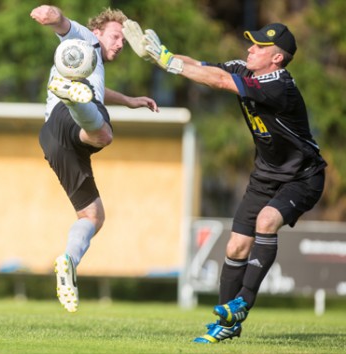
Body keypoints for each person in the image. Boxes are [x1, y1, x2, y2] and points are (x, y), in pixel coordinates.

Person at [124, 21, 327, 342]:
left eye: (259, 47)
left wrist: (168, 63)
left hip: (303, 177)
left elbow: (218, 81)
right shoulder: (244, 69)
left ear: (276, 58)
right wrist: (159, 55)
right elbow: (201, 67)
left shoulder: (279, 85)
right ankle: (226, 324)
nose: (250, 49)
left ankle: (243, 302)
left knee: (266, 220)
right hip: (265, 174)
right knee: (235, 246)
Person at [30, 5, 159, 313]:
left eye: (123, 42)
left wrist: (128, 100)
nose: (119, 44)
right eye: (116, 37)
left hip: (52, 137)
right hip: (67, 115)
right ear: (98, 32)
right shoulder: (86, 38)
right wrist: (51, 15)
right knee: (103, 135)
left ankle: (68, 262)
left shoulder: (93, 64)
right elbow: (63, 25)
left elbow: (97, 92)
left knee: (92, 216)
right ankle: (74, 100)